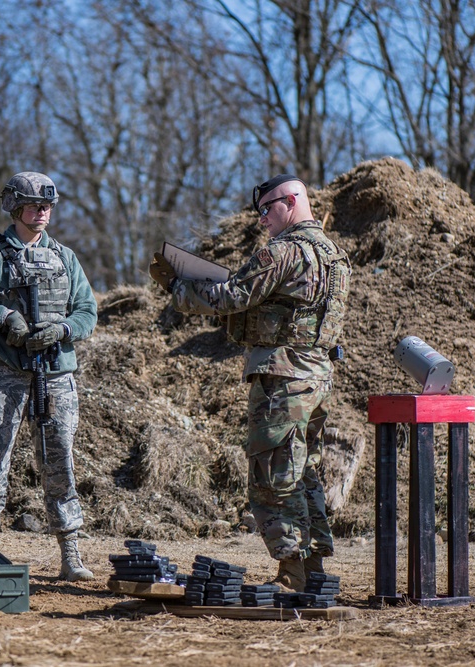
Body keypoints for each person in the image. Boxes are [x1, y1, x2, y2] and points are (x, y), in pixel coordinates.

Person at [149, 175, 351, 593]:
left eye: (267, 210)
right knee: (304, 471)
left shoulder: (283, 252)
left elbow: (228, 297)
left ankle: (292, 573)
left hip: (284, 376)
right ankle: (312, 570)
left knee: (272, 475)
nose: (261, 220)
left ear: (292, 201)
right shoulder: (336, 256)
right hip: (316, 377)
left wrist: (177, 286)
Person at [0, 171, 98, 582]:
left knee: (60, 462)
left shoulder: (66, 257)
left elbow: (87, 310)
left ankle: (70, 552)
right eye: (34, 206)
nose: (42, 212)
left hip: (55, 375)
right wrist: (4, 316)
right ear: (15, 208)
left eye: (47, 206)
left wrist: (64, 329)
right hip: (3, 373)